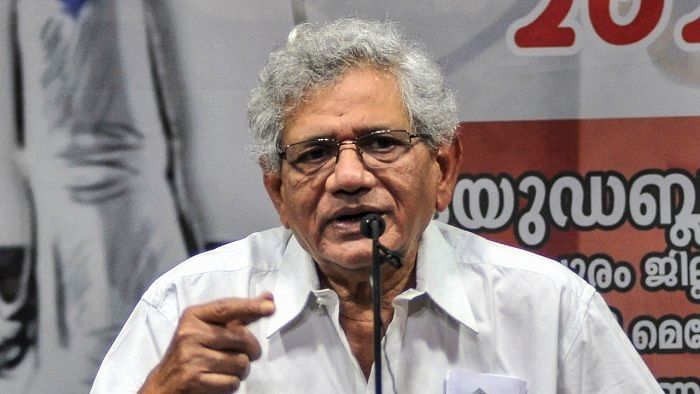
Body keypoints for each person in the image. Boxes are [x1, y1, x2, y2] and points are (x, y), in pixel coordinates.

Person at [91, 18, 661, 393]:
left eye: (381, 144)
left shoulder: (549, 310)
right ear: (278, 195)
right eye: (314, 153)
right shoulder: (187, 306)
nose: (348, 176)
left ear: (444, 170)